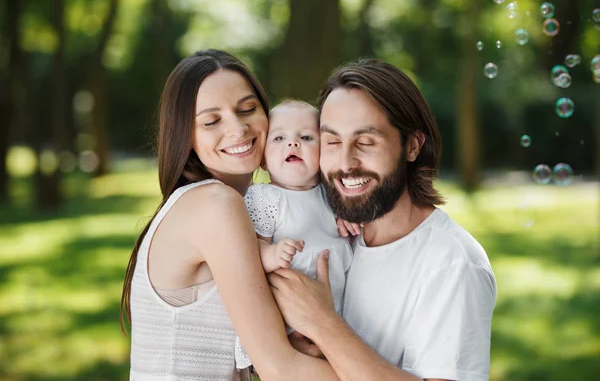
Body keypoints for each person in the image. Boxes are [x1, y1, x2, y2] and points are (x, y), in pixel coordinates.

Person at [267, 58, 497, 381]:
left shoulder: (452, 263)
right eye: (332, 141)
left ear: (413, 146)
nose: (345, 163)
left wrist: (322, 323)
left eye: (365, 142)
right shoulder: (337, 235)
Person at [119, 49, 339, 381]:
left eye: (248, 109)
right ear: (185, 136)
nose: (237, 128)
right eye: (211, 121)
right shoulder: (216, 204)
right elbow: (280, 369)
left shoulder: (241, 206)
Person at [234, 100, 353, 369]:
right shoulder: (265, 198)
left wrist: (348, 218)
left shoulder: (332, 196)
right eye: (279, 138)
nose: (293, 143)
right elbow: (250, 253)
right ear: (263, 160)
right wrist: (273, 253)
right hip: (288, 319)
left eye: (307, 137)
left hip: (337, 315)